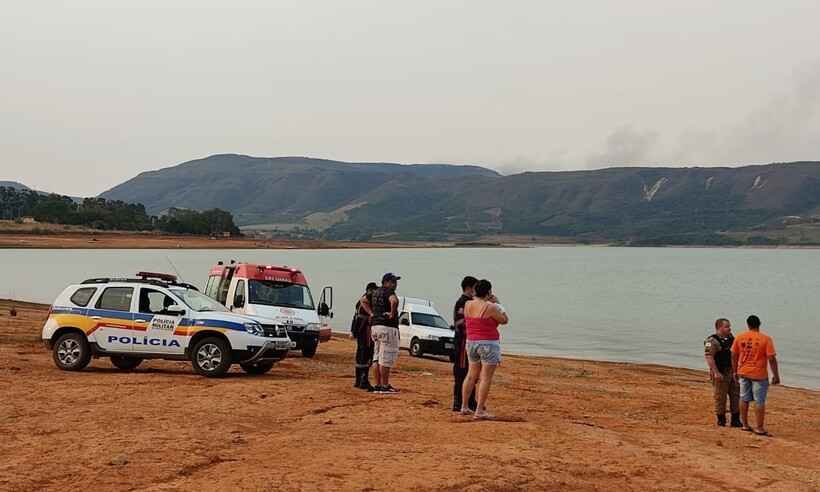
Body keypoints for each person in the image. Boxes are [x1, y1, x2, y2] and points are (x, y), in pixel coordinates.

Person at [461, 279, 508, 419]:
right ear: (488, 292)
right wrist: (498, 304)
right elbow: (504, 320)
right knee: (485, 378)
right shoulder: (491, 307)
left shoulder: (467, 304)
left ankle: (464, 406)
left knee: (471, 375)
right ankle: (479, 410)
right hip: (488, 343)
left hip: (471, 342)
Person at [731, 315, 781, 436]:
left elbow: (733, 355)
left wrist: (735, 371)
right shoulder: (766, 339)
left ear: (748, 325)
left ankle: (745, 425)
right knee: (759, 401)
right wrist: (776, 375)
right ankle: (759, 427)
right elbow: (771, 358)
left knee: (744, 398)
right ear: (759, 324)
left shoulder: (740, 337)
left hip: (743, 372)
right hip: (759, 374)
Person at [704, 318, 740, 427]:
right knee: (720, 397)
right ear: (719, 328)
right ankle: (721, 419)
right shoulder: (711, 341)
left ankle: (735, 420)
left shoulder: (731, 338)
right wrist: (715, 372)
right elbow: (709, 357)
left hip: (732, 371)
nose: (729, 329)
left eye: (729, 326)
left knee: (735, 395)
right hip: (720, 372)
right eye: (727, 326)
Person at [370, 273, 401, 394]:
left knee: (376, 357)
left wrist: (371, 313)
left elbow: (363, 300)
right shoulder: (389, 292)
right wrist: (392, 313)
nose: (395, 284)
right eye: (393, 282)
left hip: (375, 326)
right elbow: (394, 301)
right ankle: (385, 386)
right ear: (386, 282)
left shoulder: (375, 292)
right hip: (387, 327)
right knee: (386, 358)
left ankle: (377, 385)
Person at [452, 276, 478, 412]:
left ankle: (470, 401)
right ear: (469, 288)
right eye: (475, 288)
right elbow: (459, 323)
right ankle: (458, 401)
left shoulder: (471, 302)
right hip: (462, 342)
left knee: (472, 372)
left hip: (470, 342)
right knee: (462, 372)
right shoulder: (462, 303)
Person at [351, 282, 377, 390]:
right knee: (366, 354)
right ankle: (363, 380)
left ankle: (359, 380)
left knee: (361, 354)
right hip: (365, 330)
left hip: (361, 330)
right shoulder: (365, 300)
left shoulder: (361, 301)